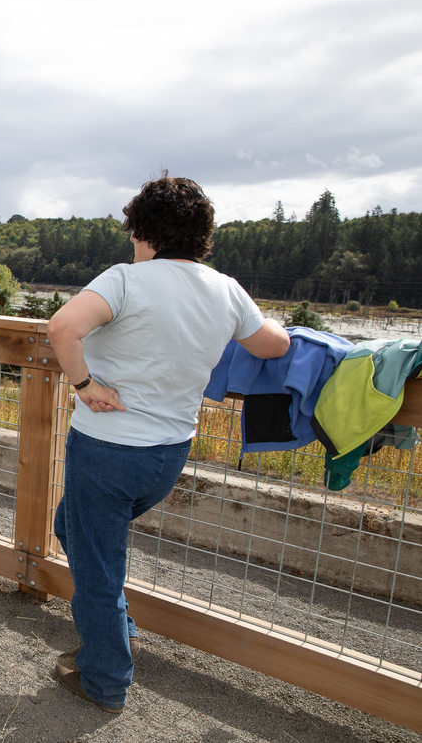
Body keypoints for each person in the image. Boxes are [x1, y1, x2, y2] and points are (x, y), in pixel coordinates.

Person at [43, 174, 290, 712]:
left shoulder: (126, 280)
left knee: (99, 569)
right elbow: (276, 343)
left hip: (108, 450)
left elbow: (62, 327)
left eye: (134, 232)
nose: (131, 243)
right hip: (168, 454)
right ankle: (119, 632)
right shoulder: (225, 289)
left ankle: (104, 678)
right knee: (74, 532)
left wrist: (85, 387)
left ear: (145, 232)